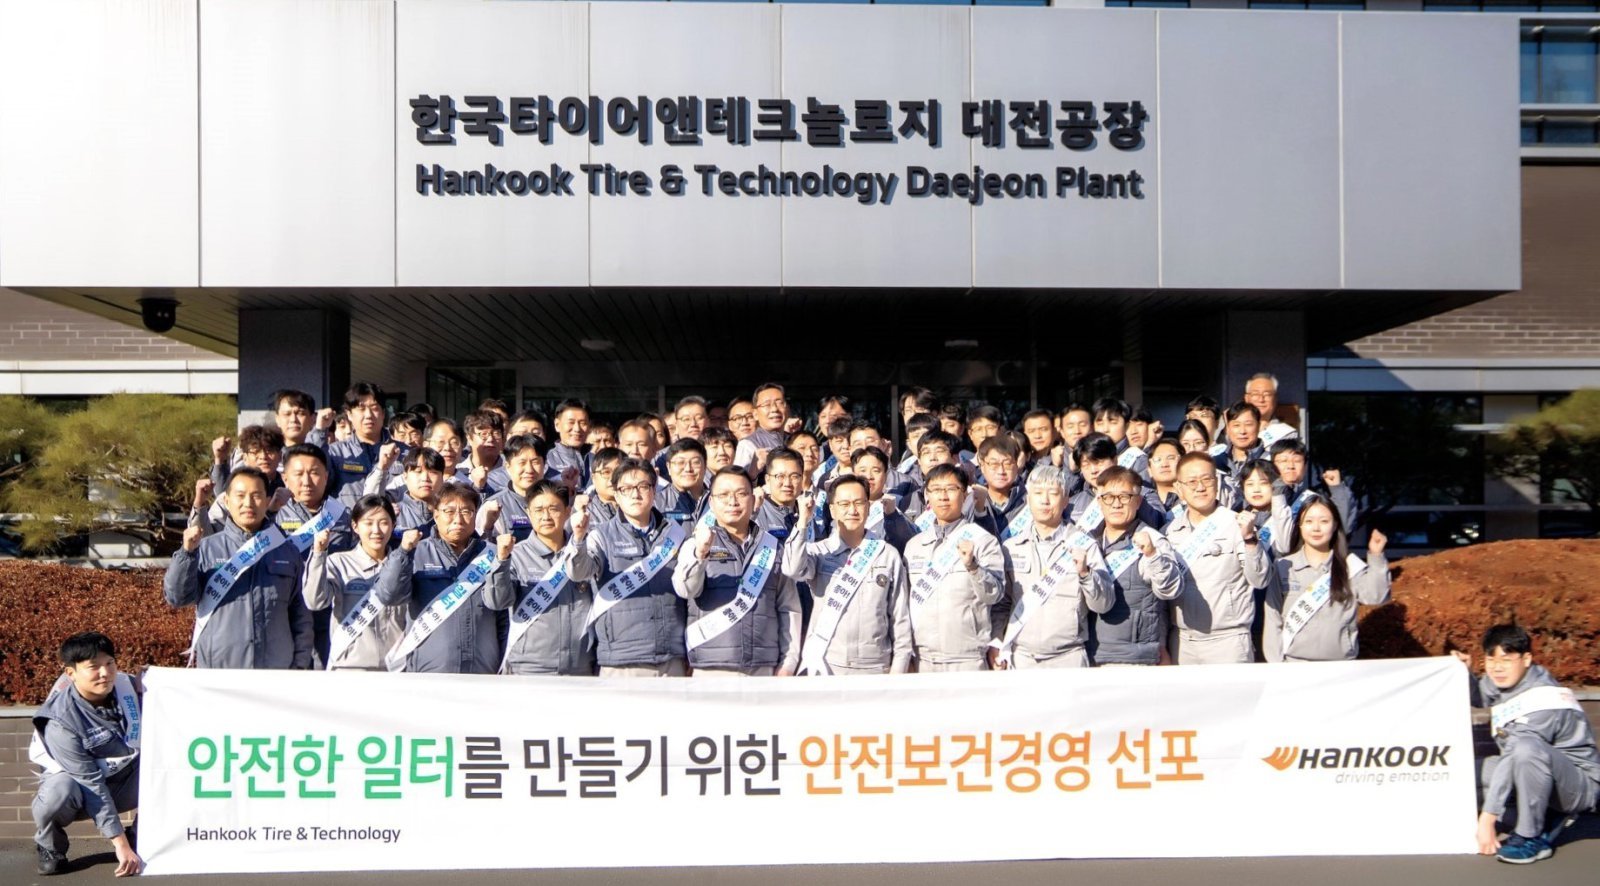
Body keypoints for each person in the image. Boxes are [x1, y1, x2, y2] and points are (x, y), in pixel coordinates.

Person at [1455, 624, 1600, 864]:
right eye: (1491, 659)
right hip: (1532, 770)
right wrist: (1465, 673)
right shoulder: (1504, 680)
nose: (1497, 667)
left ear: (1526, 659)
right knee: (1465, 773)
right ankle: (1540, 813)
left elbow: (1515, 754)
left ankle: (1531, 836)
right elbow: (1481, 696)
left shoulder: (1543, 697)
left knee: (1526, 748)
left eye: (1506, 659)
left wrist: (1487, 819)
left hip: (1577, 786)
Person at [165, 466, 313, 669]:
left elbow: (300, 615)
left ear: (267, 500)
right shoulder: (205, 548)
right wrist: (187, 553)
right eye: (240, 496)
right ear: (227, 501)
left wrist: (300, 664)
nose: (248, 503)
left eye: (256, 496)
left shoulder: (286, 551)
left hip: (276, 672)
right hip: (220, 672)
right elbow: (177, 598)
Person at [673, 467, 806, 676]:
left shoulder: (773, 548)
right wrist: (701, 553)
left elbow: (788, 608)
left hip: (763, 667)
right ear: (711, 502)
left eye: (741, 494)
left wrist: (788, 662)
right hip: (711, 668)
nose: (733, 502)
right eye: (723, 495)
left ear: (753, 500)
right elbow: (685, 590)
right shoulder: (695, 544)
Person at [30, 632, 143, 877]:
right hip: (79, 790)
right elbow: (90, 782)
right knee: (59, 791)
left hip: (122, 778)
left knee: (169, 768)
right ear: (70, 673)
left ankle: (142, 834)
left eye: (110, 663)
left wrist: (156, 679)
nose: (105, 673)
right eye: (93, 667)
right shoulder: (60, 720)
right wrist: (119, 844)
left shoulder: (130, 688)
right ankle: (51, 846)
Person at [373, 484, 515, 674]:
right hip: (428, 672)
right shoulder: (416, 552)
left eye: (466, 511)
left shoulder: (493, 554)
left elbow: (503, 611)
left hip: (483, 671)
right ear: (436, 515)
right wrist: (404, 552)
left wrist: (502, 561)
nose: (458, 519)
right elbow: (389, 596)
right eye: (449, 511)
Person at [990, 465, 1114, 669]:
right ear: (1028, 499)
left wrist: (1085, 574)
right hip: (1021, 657)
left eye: (1053, 494)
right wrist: (996, 642)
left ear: (1065, 500)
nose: (1045, 500)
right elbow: (1002, 605)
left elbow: (1103, 604)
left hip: (1069, 656)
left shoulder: (1084, 545)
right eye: (1038, 493)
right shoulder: (1011, 547)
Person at [791, 474, 913, 675]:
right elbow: (793, 569)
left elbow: (900, 617)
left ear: (868, 506)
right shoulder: (819, 551)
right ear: (832, 509)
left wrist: (898, 670)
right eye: (844, 504)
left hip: (875, 666)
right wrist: (803, 522)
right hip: (826, 664)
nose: (852, 510)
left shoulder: (887, 554)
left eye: (859, 503)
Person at [584, 459, 690, 677]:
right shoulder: (600, 536)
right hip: (622, 660)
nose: (635, 494)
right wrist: (577, 541)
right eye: (626, 488)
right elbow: (579, 572)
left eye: (643, 486)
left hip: (671, 657)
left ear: (654, 490)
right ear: (616, 494)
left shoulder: (676, 534)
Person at [1163, 452, 1270, 664]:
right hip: (1183, 641)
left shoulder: (1237, 524)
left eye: (1206, 479)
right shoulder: (1169, 532)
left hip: (1229, 640)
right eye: (1192, 482)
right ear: (1178, 488)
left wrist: (1250, 539)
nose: (1200, 487)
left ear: (1217, 482)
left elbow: (1260, 579)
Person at [902, 464, 1005, 672]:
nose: (943, 496)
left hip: (968, 657)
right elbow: (903, 604)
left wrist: (973, 567)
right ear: (927, 496)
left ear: (965, 495)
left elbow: (995, 595)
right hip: (923, 658)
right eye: (936, 489)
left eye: (951, 489)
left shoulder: (983, 540)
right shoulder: (914, 545)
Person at [1262, 495, 1389, 663]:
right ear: (1299, 525)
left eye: (1324, 521)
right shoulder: (1283, 566)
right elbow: (1273, 618)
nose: (1316, 528)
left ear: (1335, 525)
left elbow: (1377, 597)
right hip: (1294, 666)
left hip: (1341, 666)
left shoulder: (1350, 567)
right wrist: (1277, 664)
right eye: (1309, 521)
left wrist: (1376, 556)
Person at [1088, 466, 1183, 666]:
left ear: (1138, 501)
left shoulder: (1152, 540)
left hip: (1135, 658)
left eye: (1124, 497)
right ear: (1099, 501)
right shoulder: (1088, 542)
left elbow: (1169, 590)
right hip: (1092, 654)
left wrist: (1152, 554)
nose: (1116, 504)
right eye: (1108, 497)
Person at [503, 481, 599, 676]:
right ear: (528, 513)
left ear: (567, 512)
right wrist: (500, 563)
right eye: (538, 510)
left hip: (580, 667)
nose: (546, 516)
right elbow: (499, 601)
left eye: (553, 509)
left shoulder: (585, 551)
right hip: (530, 668)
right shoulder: (515, 556)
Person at [303, 495, 409, 671]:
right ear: (355, 526)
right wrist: (318, 554)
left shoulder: (404, 566)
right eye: (368, 523)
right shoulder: (339, 562)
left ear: (393, 525)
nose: (376, 530)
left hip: (395, 670)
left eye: (384, 522)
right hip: (349, 668)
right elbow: (314, 601)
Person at [1270, 437, 1358, 531]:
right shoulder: (1263, 494)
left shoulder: (1312, 499)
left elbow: (1342, 527)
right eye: (1283, 461)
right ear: (1271, 465)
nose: (1290, 466)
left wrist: (1337, 489)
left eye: (1297, 461)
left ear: (1305, 466)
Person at [325, 382, 389, 505]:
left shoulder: (403, 453)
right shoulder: (334, 453)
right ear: (349, 414)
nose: (368, 415)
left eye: (374, 408)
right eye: (361, 408)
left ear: (383, 413)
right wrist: (319, 432)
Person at [850, 446, 916, 550]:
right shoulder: (843, 506)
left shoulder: (896, 507)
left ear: (885, 475)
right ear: (853, 474)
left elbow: (907, 542)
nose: (869, 476)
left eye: (876, 471)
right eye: (863, 470)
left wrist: (892, 516)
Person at [659, 438, 710, 529]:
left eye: (695, 462)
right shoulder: (655, 503)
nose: (688, 469)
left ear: (705, 466)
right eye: (680, 463)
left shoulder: (719, 500)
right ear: (668, 467)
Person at [460, 409, 509, 495]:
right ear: (469, 438)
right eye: (483, 434)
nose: (490, 439)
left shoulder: (511, 470)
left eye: (496, 433)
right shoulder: (459, 472)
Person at [1244, 372, 1300, 449]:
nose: (1261, 399)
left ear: (1275, 399)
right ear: (1247, 398)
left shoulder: (1286, 433)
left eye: (1267, 394)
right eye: (1255, 394)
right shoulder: (1233, 429)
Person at [548, 398, 592, 485]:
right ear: (557, 425)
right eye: (571, 422)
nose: (577, 429)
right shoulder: (547, 460)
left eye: (583, 423)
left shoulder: (597, 457)